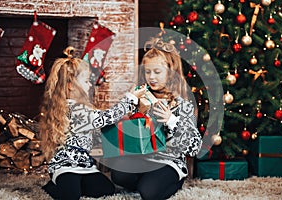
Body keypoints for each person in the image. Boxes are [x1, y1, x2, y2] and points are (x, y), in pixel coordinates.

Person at [39, 46, 146, 200]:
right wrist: (131, 98)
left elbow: (97, 127)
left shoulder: (84, 107)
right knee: (70, 196)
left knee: (106, 189)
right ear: (70, 85)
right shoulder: (74, 109)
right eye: (86, 81)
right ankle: (53, 185)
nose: (90, 85)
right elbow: (105, 117)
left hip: (85, 166)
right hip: (65, 166)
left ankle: (79, 184)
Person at [110, 37, 203, 200]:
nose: (151, 77)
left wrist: (171, 120)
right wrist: (130, 103)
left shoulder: (183, 104)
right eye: (147, 71)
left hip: (169, 162)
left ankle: (170, 181)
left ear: (170, 72)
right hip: (143, 158)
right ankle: (148, 181)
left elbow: (194, 147)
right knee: (119, 174)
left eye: (157, 72)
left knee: (149, 193)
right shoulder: (141, 97)